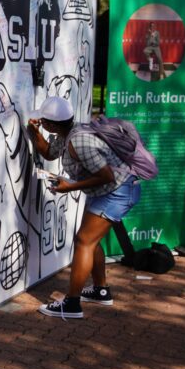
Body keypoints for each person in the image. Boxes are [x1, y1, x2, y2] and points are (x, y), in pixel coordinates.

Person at [27, 96, 141, 319]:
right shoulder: (68, 132)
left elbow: (106, 176)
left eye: (42, 120)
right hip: (106, 192)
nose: (40, 122)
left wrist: (70, 187)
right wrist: (34, 132)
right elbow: (49, 152)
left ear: (51, 123)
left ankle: (71, 304)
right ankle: (100, 290)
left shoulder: (78, 141)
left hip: (116, 192)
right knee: (90, 240)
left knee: (84, 242)